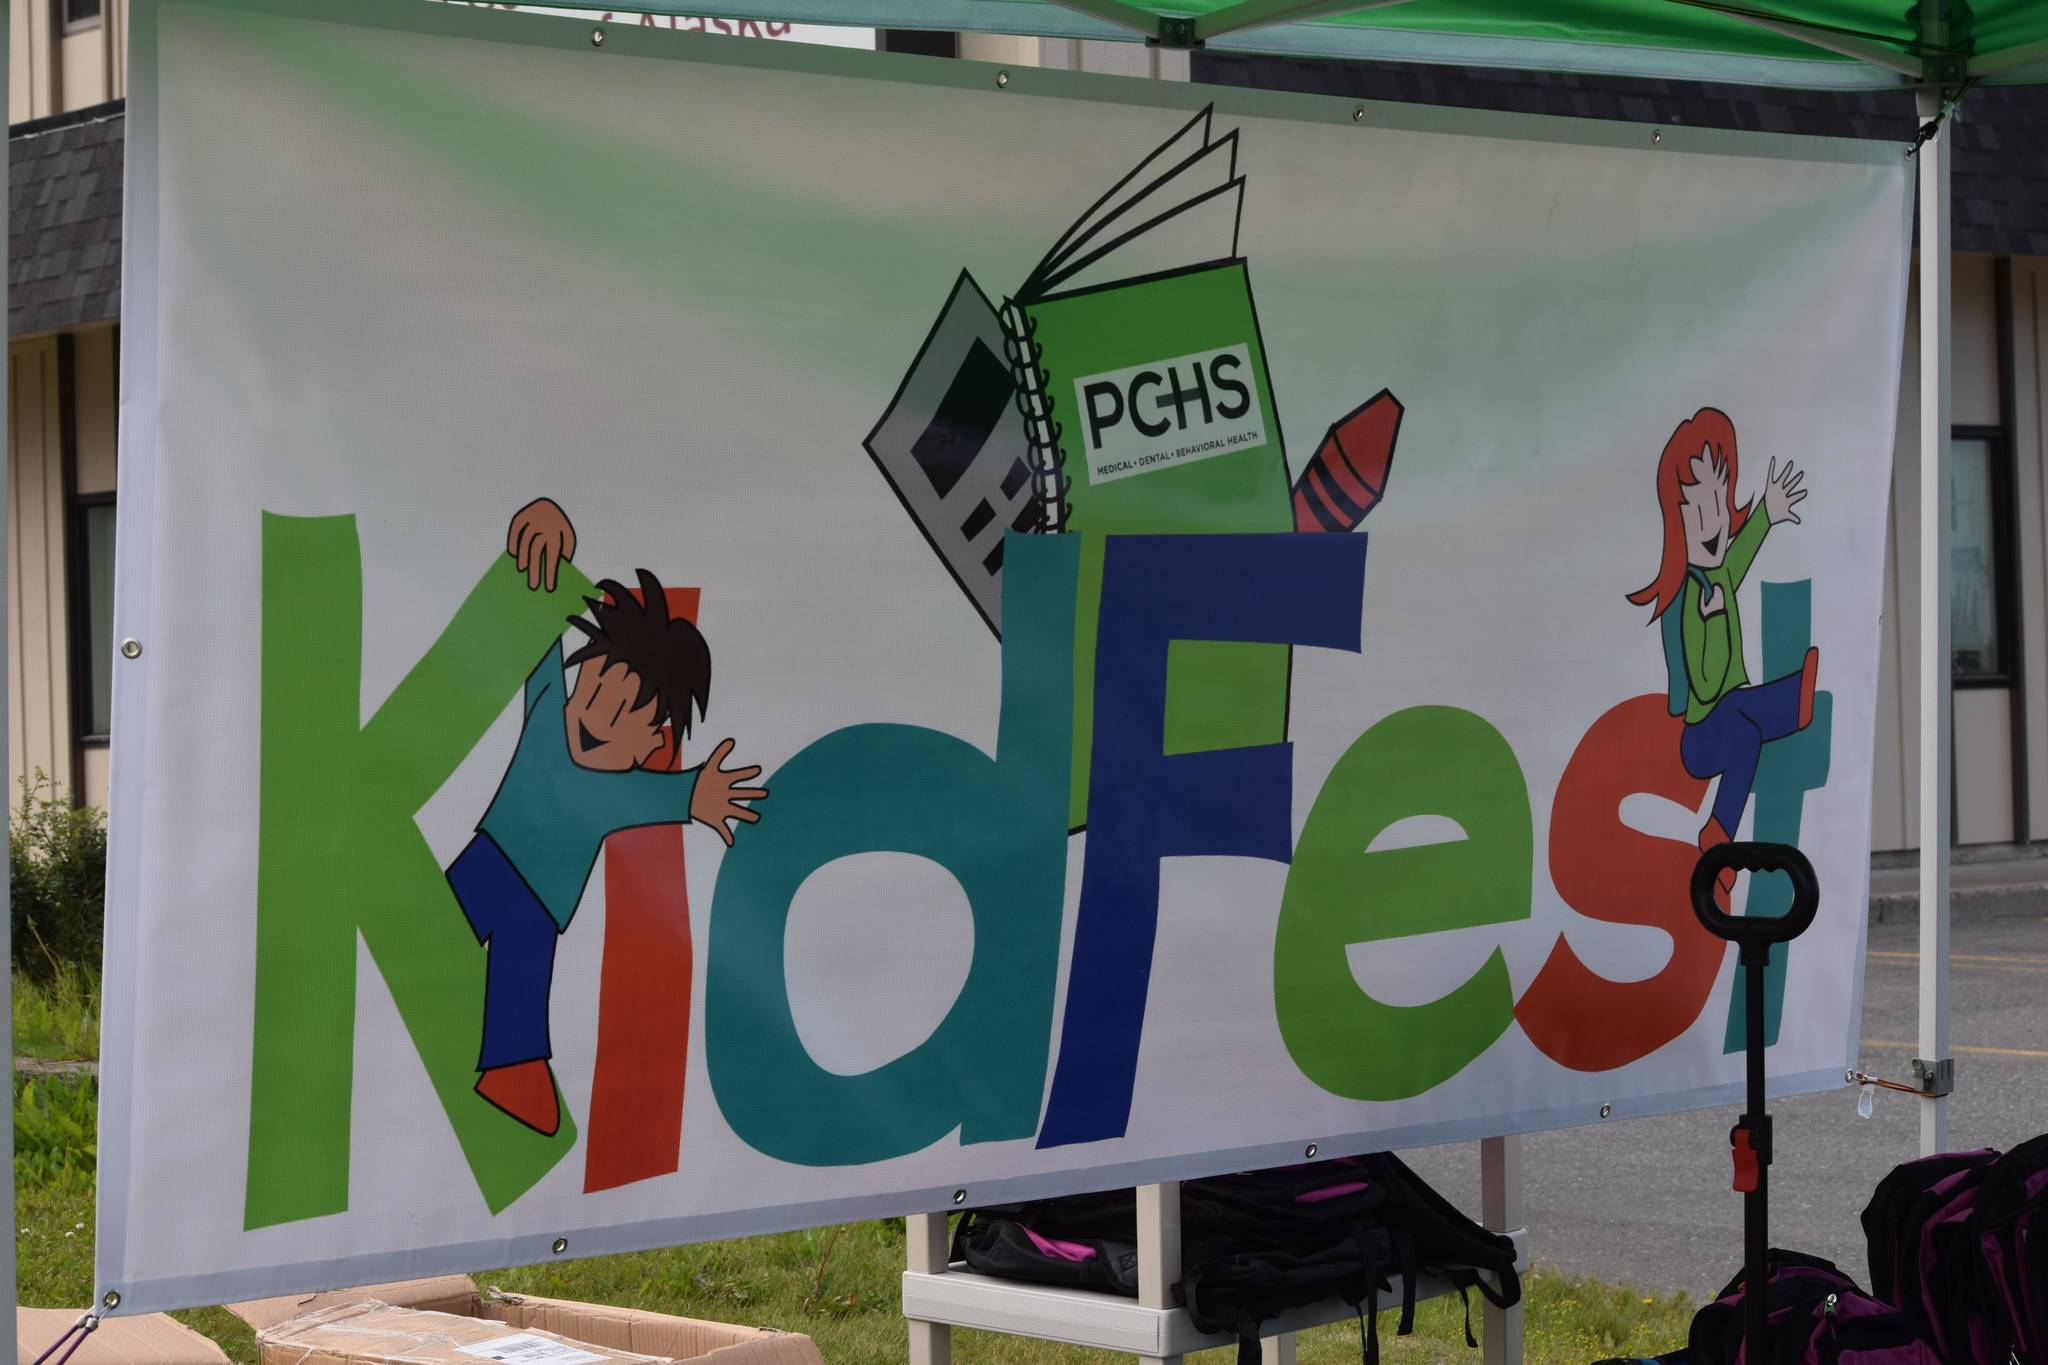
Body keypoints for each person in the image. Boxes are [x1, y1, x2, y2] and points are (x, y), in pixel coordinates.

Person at [444, 497, 765, 1136]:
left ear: (651, 747)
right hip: (486, 863)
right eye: (592, 692)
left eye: (622, 718)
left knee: (522, 959)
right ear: (577, 675)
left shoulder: (624, 790)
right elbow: (537, 623)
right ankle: (505, 1058)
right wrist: (543, 542)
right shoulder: (546, 710)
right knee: (445, 921)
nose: (595, 719)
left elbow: (668, 796)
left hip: (537, 906)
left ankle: (514, 1068)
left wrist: (697, 796)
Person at [1628, 409, 1819, 909]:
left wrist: (1767, 514)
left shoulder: (1719, 578)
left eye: (1718, 498)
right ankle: (1785, 708)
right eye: (1696, 509)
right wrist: (1713, 620)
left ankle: (1721, 834)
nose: (1712, 519)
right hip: (1702, 736)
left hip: (1732, 721)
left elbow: (1738, 558)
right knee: (1740, 715)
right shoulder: (1689, 601)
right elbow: (1708, 686)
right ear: (1678, 522)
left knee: (1747, 722)